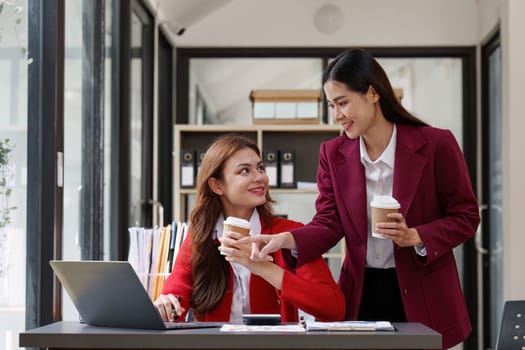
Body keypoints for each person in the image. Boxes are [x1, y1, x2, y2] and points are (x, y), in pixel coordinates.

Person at [237, 48, 480, 349]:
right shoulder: (333, 153)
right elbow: (328, 223)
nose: (337, 116)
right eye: (331, 105)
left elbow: (466, 216)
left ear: (373, 93)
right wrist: (283, 239)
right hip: (361, 292)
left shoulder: (435, 145)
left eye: (343, 103)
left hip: (424, 293)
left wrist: (415, 236)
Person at [153, 135, 345, 323]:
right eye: (245, 171)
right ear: (217, 185)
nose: (260, 177)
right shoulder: (200, 237)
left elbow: (334, 308)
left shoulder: (288, 235)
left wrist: (263, 268)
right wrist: (165, 305)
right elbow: (175, 298)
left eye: (260, 168)